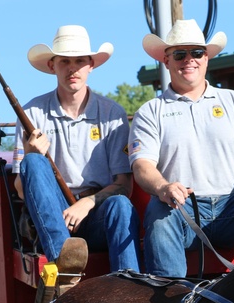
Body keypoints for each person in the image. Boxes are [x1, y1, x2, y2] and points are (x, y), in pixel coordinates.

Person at [131, 19, 234, 277]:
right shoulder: (150, 111)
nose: (189, 60)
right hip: (183, 210)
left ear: (206, 58)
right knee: (159, 212)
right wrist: (163, 188)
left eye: (197, 53)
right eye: (179, 54)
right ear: (167, 61)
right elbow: (142, 166)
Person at [15, 25, 141, 272]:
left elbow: (124, 186)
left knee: (121, 206)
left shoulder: (112, 114)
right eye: (65, 61)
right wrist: (31, 154)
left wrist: (87, 203)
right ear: (52, 66)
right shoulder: (31, 113)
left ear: (91, 65)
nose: (72, 68)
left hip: (96, 214)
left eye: (79, 60)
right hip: (51, 216)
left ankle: (129, 284)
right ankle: (64, 264)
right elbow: (20, 189)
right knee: (31, 163)